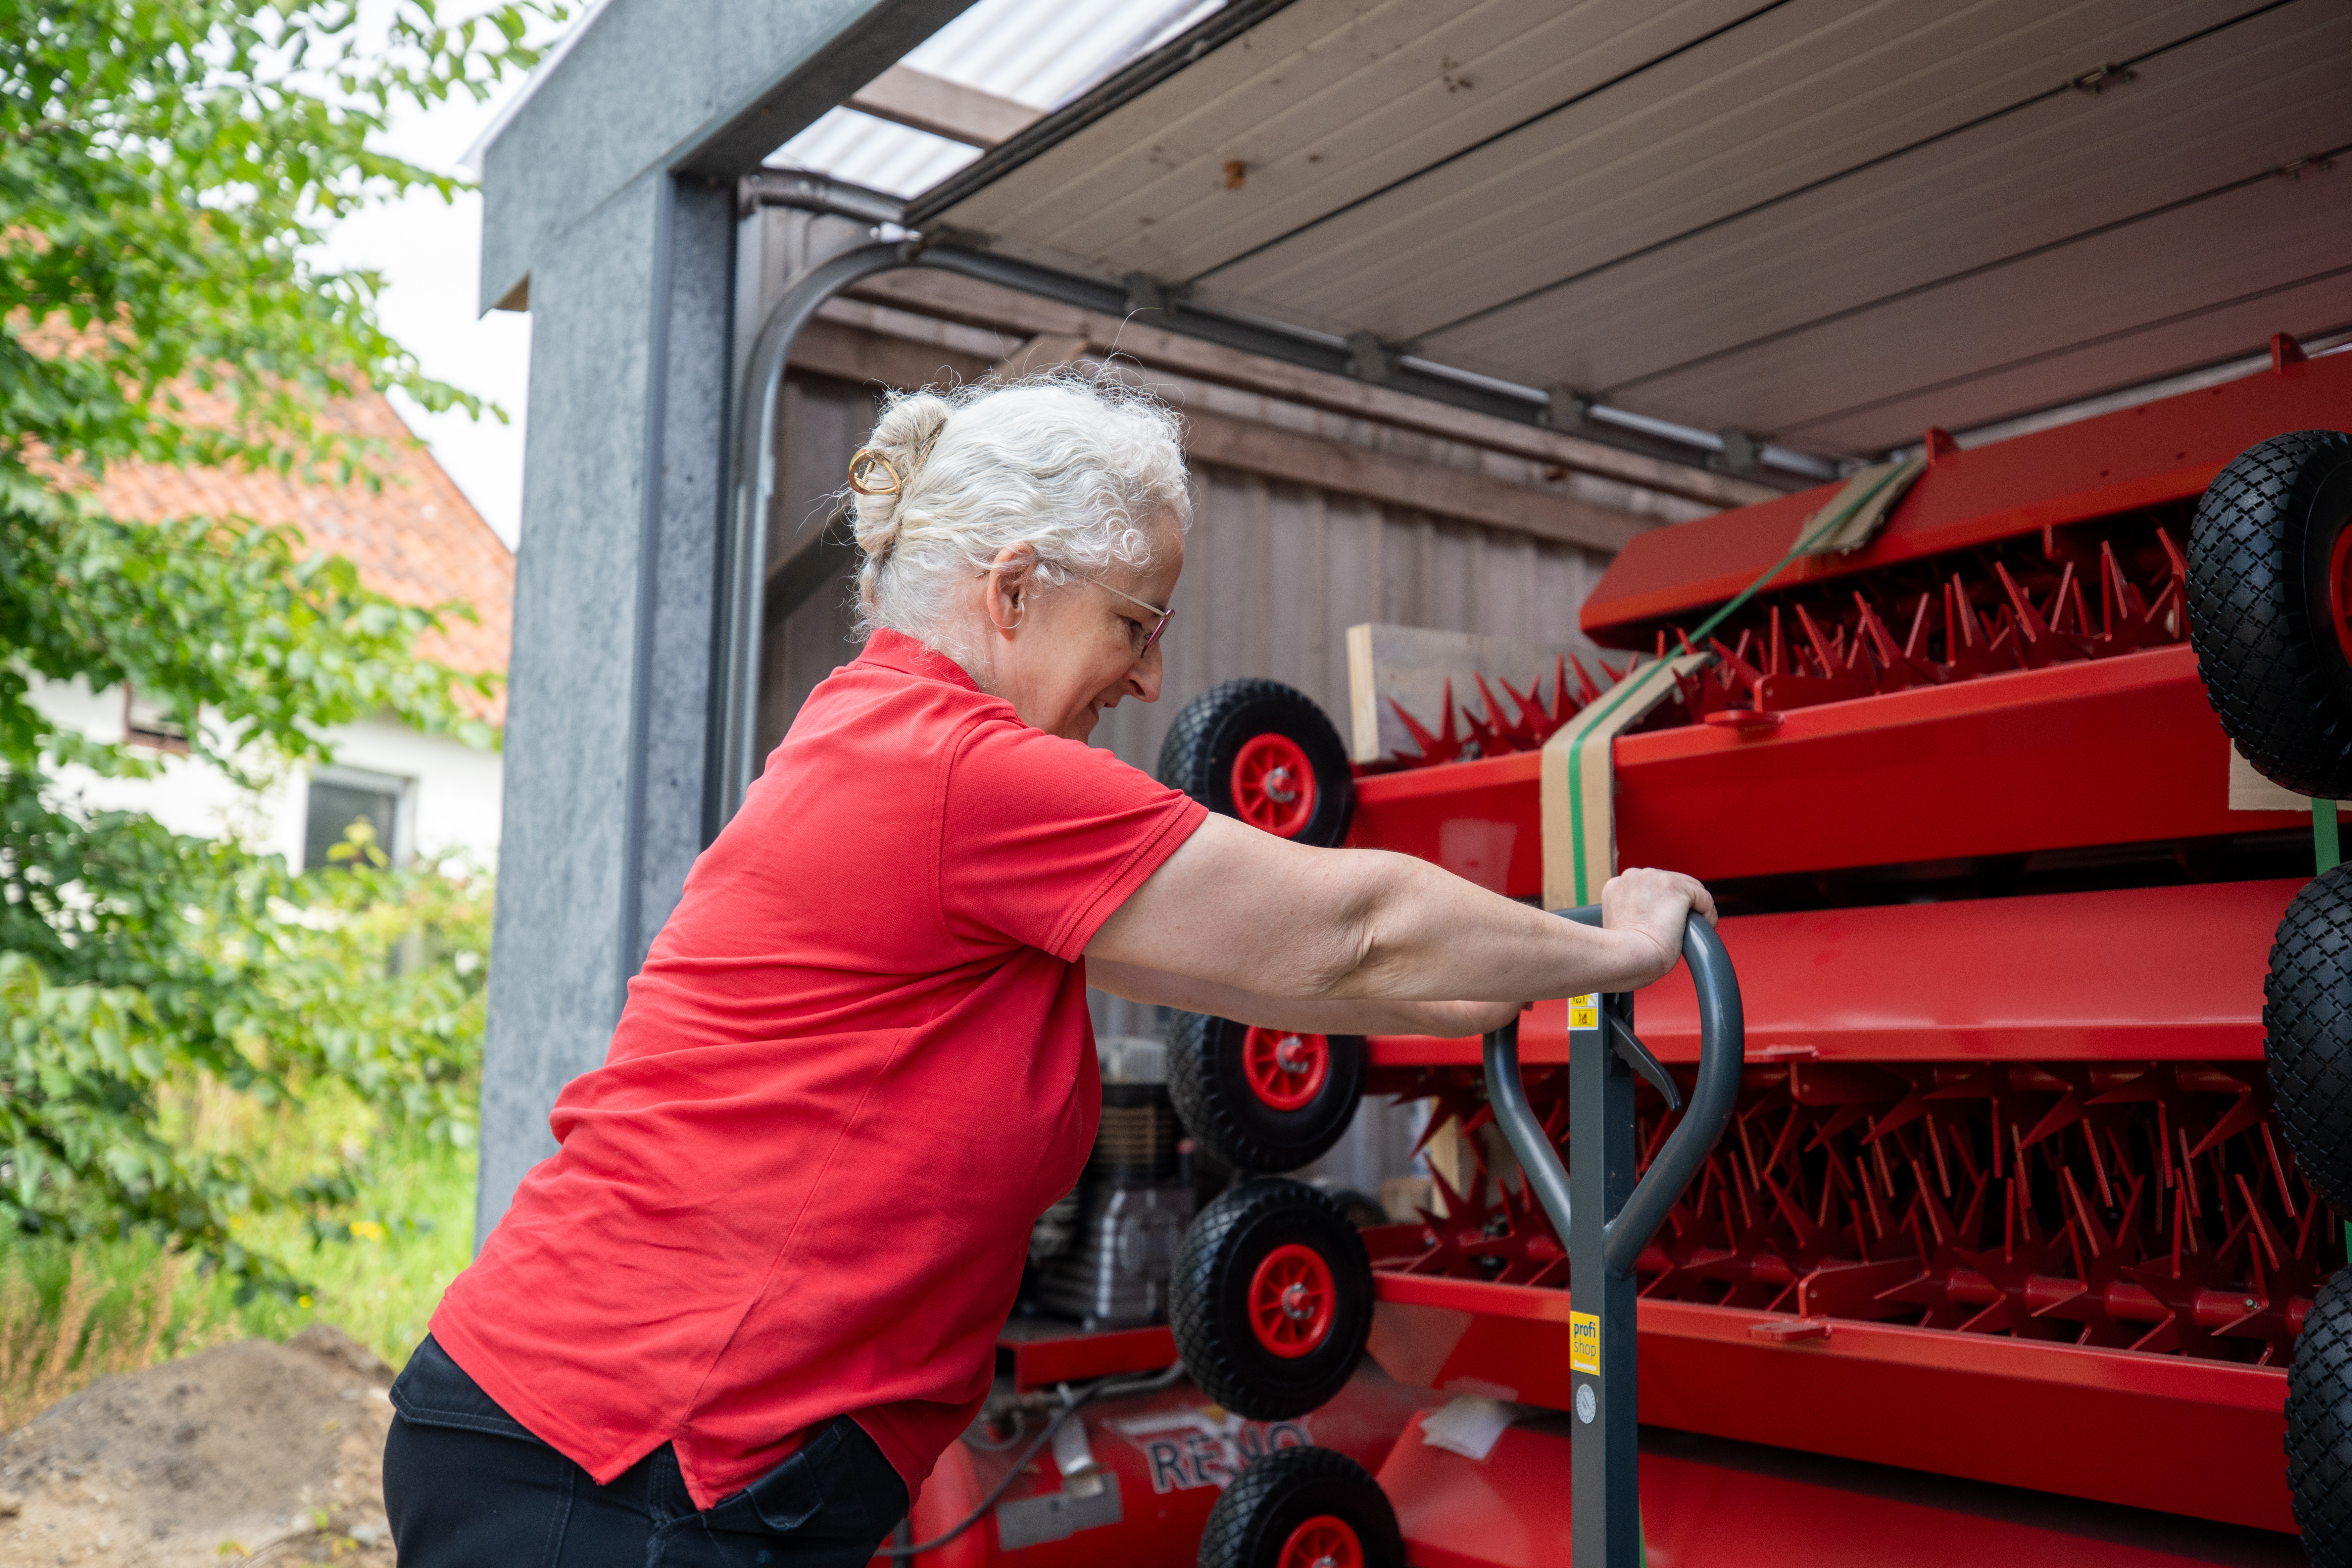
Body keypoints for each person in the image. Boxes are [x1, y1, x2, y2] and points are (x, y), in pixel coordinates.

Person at [382, 374, 1713, 1565]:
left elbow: (1302, 976)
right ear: (1014, 590)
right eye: (1135, 621)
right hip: (626, 1465)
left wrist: (1509, 981)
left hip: (631, 1447)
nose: (1149, 676)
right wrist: (1616, 939)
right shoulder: (958, 770)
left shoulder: (894, 744)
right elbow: (1348, 927)